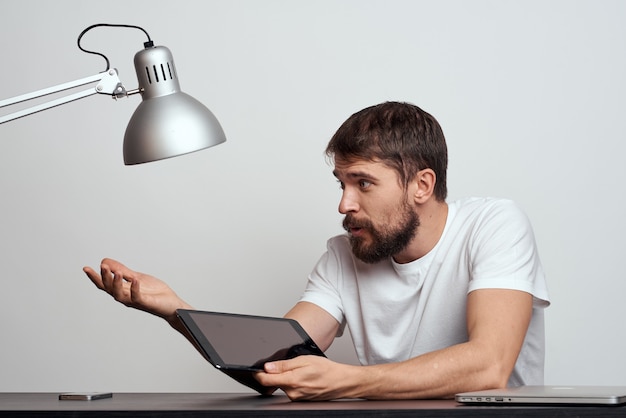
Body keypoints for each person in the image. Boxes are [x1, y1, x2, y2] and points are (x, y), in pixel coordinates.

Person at [84, 101, 550, 401]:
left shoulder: (494, 225)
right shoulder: (344, 254)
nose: (344, 204)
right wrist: (175, 310)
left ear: (422, 185)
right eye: (342, 183)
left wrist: (351, 380)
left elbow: (490, 365)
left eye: (363, 183)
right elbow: (273, 365)